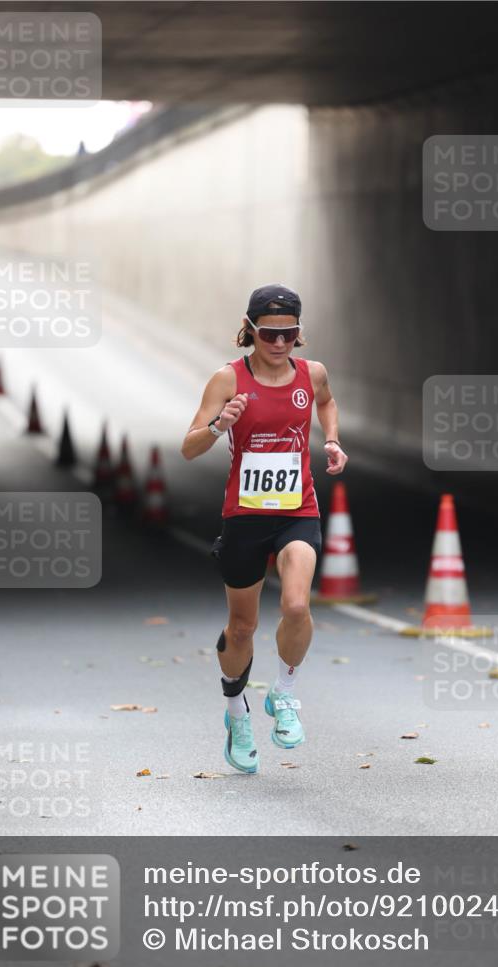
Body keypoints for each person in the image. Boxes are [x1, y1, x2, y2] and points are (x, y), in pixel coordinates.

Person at [181, 284, 348, 774]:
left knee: (297, 604)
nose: (280, 343)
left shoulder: (311, 373)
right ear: (250, 329)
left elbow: (327, 401)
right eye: (270, 333)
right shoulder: (227, 380)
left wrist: (333, 441)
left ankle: (285, 694)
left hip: (299, 508)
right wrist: (218, 426)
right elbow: (188, 447)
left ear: (299, 333)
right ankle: (236, 713)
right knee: (242, 627)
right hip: (246, 515)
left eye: (290, 333)